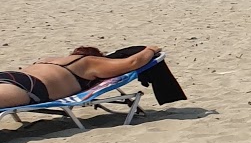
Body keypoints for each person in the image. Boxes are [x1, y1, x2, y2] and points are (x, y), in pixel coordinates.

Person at [0, 45, 161, 110]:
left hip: (13, 76)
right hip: (30, 87)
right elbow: (133, 62)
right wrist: (151, 49)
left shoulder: (51, 59)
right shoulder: (88, 62)